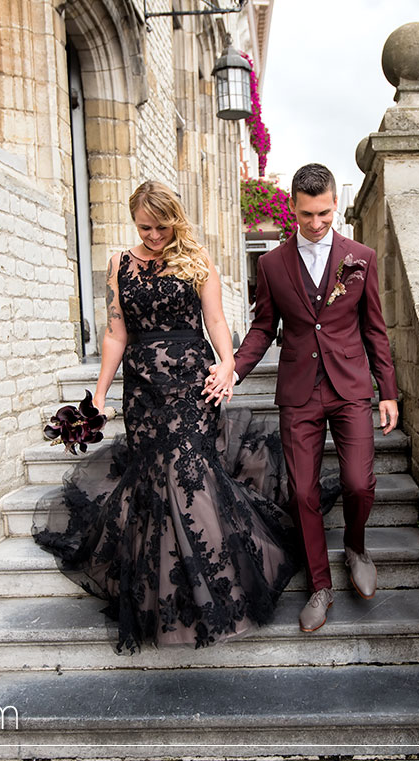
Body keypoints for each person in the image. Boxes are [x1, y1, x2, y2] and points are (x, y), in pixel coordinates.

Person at [32, 181, 298, 653]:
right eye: (144, 227)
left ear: (174, 219)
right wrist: (97, 395)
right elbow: (115, 334)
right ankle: (166, 594)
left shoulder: (196, 259)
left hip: (192, 383)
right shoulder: (119, 264)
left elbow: (217, 322)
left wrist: (228, 365)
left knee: (188, 475)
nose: (153, 235)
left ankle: (215, 590)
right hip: (144, 391)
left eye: (161, 226)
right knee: (155, 480)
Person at [223, 163, 399, 633]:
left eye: (324, 213)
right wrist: (232, 370)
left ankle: (357, 547)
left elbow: (375, 330)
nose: (317, 224)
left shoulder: (360, 256)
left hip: (351, 387)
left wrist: (388, 391)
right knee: (303, 492)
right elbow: (263, 329)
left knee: (359, 484)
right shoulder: (271, 264)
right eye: (307, 215)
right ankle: (320, 585)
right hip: (300, 391)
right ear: (293, 209)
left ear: (334, 205)